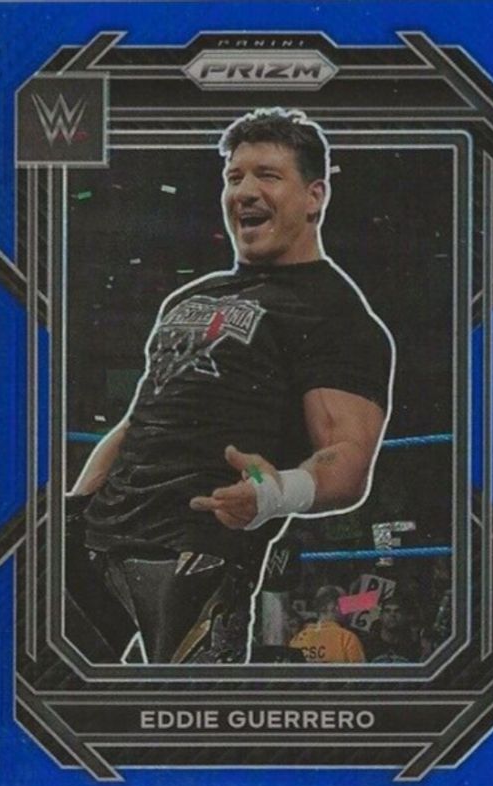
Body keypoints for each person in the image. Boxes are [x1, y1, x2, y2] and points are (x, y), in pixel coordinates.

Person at [69, 107, 394, 664]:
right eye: (234, 176)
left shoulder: (336, 313)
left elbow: (347, 458)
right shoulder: (190, 297)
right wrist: (76, 505)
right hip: (95, 537)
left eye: (267, 175)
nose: (244, 191)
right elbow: (138, 420)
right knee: (15, 684)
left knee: (183, 712)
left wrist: (272, 494)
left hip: (196, 550)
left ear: (314, 196)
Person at [288, 586, 365, 663]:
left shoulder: (296, 640)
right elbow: (361, 669)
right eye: (346, 604)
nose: (349, 610)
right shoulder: (347, 639)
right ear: (335, 607)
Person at [362, 594, 421, 663]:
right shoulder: (368, 646)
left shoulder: (411, 648)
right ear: (381, 616)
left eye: (397, 611)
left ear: (404, 617)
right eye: (387, 611)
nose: (392, 614)